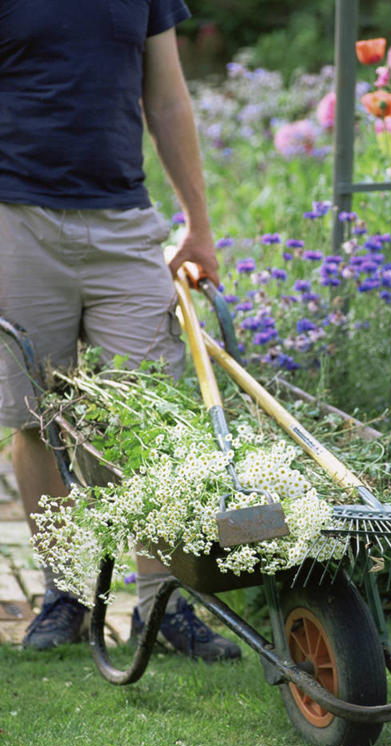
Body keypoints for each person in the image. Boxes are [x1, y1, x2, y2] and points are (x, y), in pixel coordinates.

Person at [0, 0, 240, 661]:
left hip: (124, 222)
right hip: (17, 216)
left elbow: (166, 98)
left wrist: (198, 225)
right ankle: (67, 594)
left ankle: (161, 604)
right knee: (37, 416)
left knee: (148, 414)